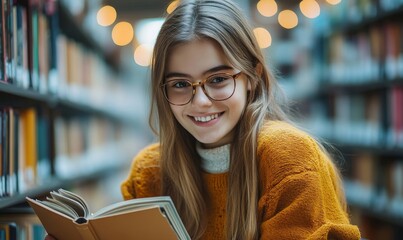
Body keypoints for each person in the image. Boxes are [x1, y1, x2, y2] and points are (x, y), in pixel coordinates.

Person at [46, 0, 361, 239]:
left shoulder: (286, 156)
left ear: (252, 77)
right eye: (181, 84)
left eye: (218, 79)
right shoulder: (150, 172)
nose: (200, 101)